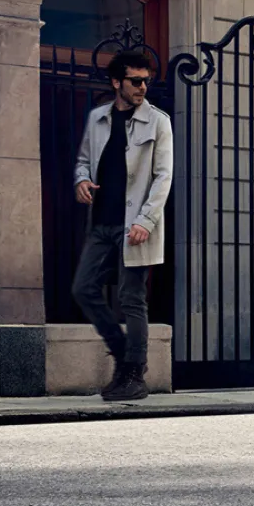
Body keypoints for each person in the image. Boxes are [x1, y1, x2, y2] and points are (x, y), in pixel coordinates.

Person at [71, 51, 174, 401]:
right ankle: (123, 355)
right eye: (135, 81)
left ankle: (134, 374)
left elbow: (163, 177)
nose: (143, 87)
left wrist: (146, 220)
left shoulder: (158, 122)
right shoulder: (98, 118)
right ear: (117, 82)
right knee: (83, 288)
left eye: (146, 81)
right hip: (101, 222)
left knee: (132, 299)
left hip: (135, 226)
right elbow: (83, 161)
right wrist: (81, 181)